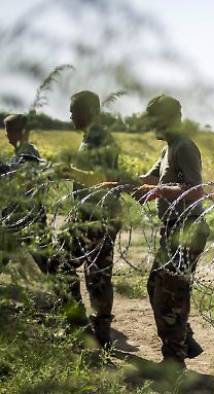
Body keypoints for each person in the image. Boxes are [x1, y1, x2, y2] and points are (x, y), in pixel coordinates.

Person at [134, 94, 209, 369]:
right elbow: (151, 179)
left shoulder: (184, 147)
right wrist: (120, 181)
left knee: (171, 295)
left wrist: (159, 190)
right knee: (156, 285)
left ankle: (174, 361)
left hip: (187, 230)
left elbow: (195, 189)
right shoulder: (168, 148)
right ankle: (184, 340)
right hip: (173, 230)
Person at [54, 91, 122, 347]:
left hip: (98, 215)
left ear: (89, 112)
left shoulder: (101, 139)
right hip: (84, 213)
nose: (71, 116)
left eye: (74, 111)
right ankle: (83, 329)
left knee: (95, 276)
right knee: (65, 265)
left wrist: (69, 171)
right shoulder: (89, 139)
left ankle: (94, 335)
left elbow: (101, 179)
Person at [0, 113, 52, 273]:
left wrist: (5, 171)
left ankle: (68, 292)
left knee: (47, 261)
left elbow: (27, 182)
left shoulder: (28, 153)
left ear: (21, 132)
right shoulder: (21, 153)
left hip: (27, 215)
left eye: (10, 130)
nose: (6, 134)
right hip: (19, 213)